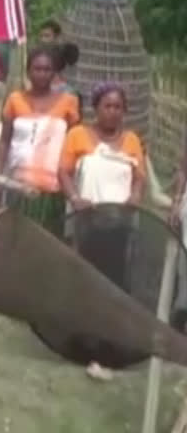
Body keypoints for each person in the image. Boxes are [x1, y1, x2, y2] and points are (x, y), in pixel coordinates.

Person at [58, 83, 145, 381]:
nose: (113, 112)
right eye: (107, 106)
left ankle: (107, 348)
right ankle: (80, 342)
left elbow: (138, 177)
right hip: (86, 223)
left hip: (118, 226)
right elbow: (64, 172)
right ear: (97, 108)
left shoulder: (132, 140)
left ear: (125, 111)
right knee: (83, 279)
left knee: (114, 283)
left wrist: (135, 196)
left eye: (118, 107)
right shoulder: (78, 135)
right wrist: (74, 198)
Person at [0, 46, 81, 235]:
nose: (42, 74)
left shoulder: (68, 102)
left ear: (54, 73)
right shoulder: (15, 100)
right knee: (15, 238)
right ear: (28, 71)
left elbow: (73, 146)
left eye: (47, 70)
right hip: (18, 185)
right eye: (37, 69)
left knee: (47, 242)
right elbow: (4, 142)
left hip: (53, 190)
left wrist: (72, 187)